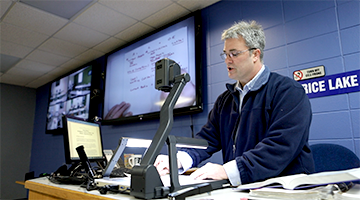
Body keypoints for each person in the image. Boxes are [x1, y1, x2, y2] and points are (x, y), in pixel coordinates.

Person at [154, 20, 315, 186]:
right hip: (245, 188)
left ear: (255, 54)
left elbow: (280, 146)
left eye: (234, 54)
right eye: (225, 54)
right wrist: (177, 160)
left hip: (286, 189)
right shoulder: (225, 100)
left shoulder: (288, 91)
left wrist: (228, 171)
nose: (227, 60)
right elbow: (207, 140)